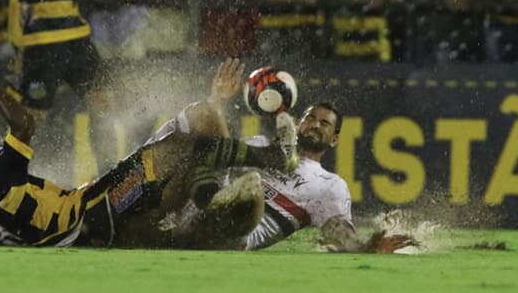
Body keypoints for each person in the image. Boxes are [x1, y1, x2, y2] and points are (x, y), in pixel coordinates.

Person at [0, 52, 292, 247]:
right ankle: (266, 161)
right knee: (182, 147)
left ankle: (204, 210)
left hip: (94, 214)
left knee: (202, 118)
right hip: (94, 215)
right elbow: (24, 124)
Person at [150, 58, 416, 253]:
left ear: (334, 139)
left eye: (325, 124)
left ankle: (201, 208)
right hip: (191, 215)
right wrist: (217, 99)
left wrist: (366, 247)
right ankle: (146, 190)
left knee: (251, 190)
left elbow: (338, 233)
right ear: (298, 124)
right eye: (310, 118)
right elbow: (211, 155)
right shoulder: (259, 144)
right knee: (201, 116)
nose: (314, 124)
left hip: (229, 236)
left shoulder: (328, 184)